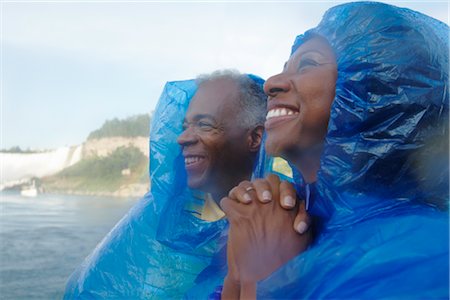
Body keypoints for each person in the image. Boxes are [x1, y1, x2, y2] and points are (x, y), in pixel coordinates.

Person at [221, 2, 449, 299]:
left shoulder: (422, 256)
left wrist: (266, 276)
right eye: (284, 68)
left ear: (377, 92)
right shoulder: (291, 216)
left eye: (307, 65)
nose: (271, 84)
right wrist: (241, 261)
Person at [64, 70, 311, 299]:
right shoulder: (163, 218)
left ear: (255, 137)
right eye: (185, 127)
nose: (183, 138)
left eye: (204, 125)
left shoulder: (284, 210)